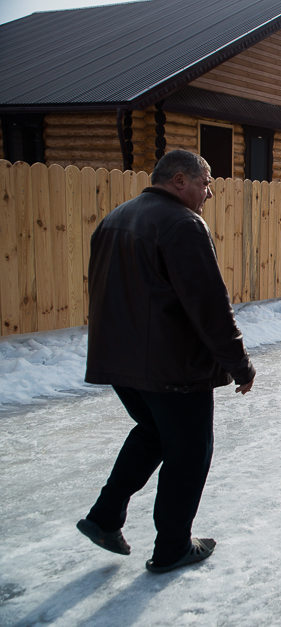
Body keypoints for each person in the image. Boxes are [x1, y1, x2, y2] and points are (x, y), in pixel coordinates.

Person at [78, 149, 255, 574]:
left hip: (121, 361)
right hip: (173, 366)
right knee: (190, 452)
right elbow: (209, 305)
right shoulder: (182, 224)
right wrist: (239, 362)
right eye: (205, 183)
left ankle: (104, 517)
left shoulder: (116, 218)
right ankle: (173, 546)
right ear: (179, 180)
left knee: (154, 433)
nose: (209, 193)